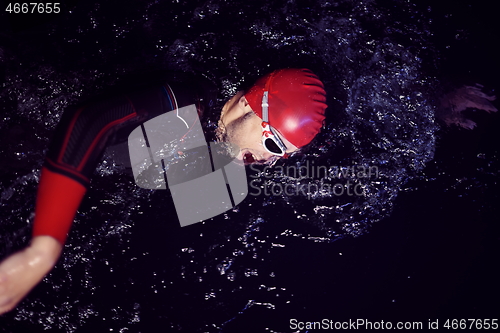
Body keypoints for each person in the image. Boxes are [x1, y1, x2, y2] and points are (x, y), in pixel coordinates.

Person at [0, 68, 328, 314]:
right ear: (245, 105)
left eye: (281, 155)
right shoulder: (188, 109)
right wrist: (43, 250)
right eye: (272, 142)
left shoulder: (221, 147)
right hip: (22, 142)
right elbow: (92, 119)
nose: (267, 159)